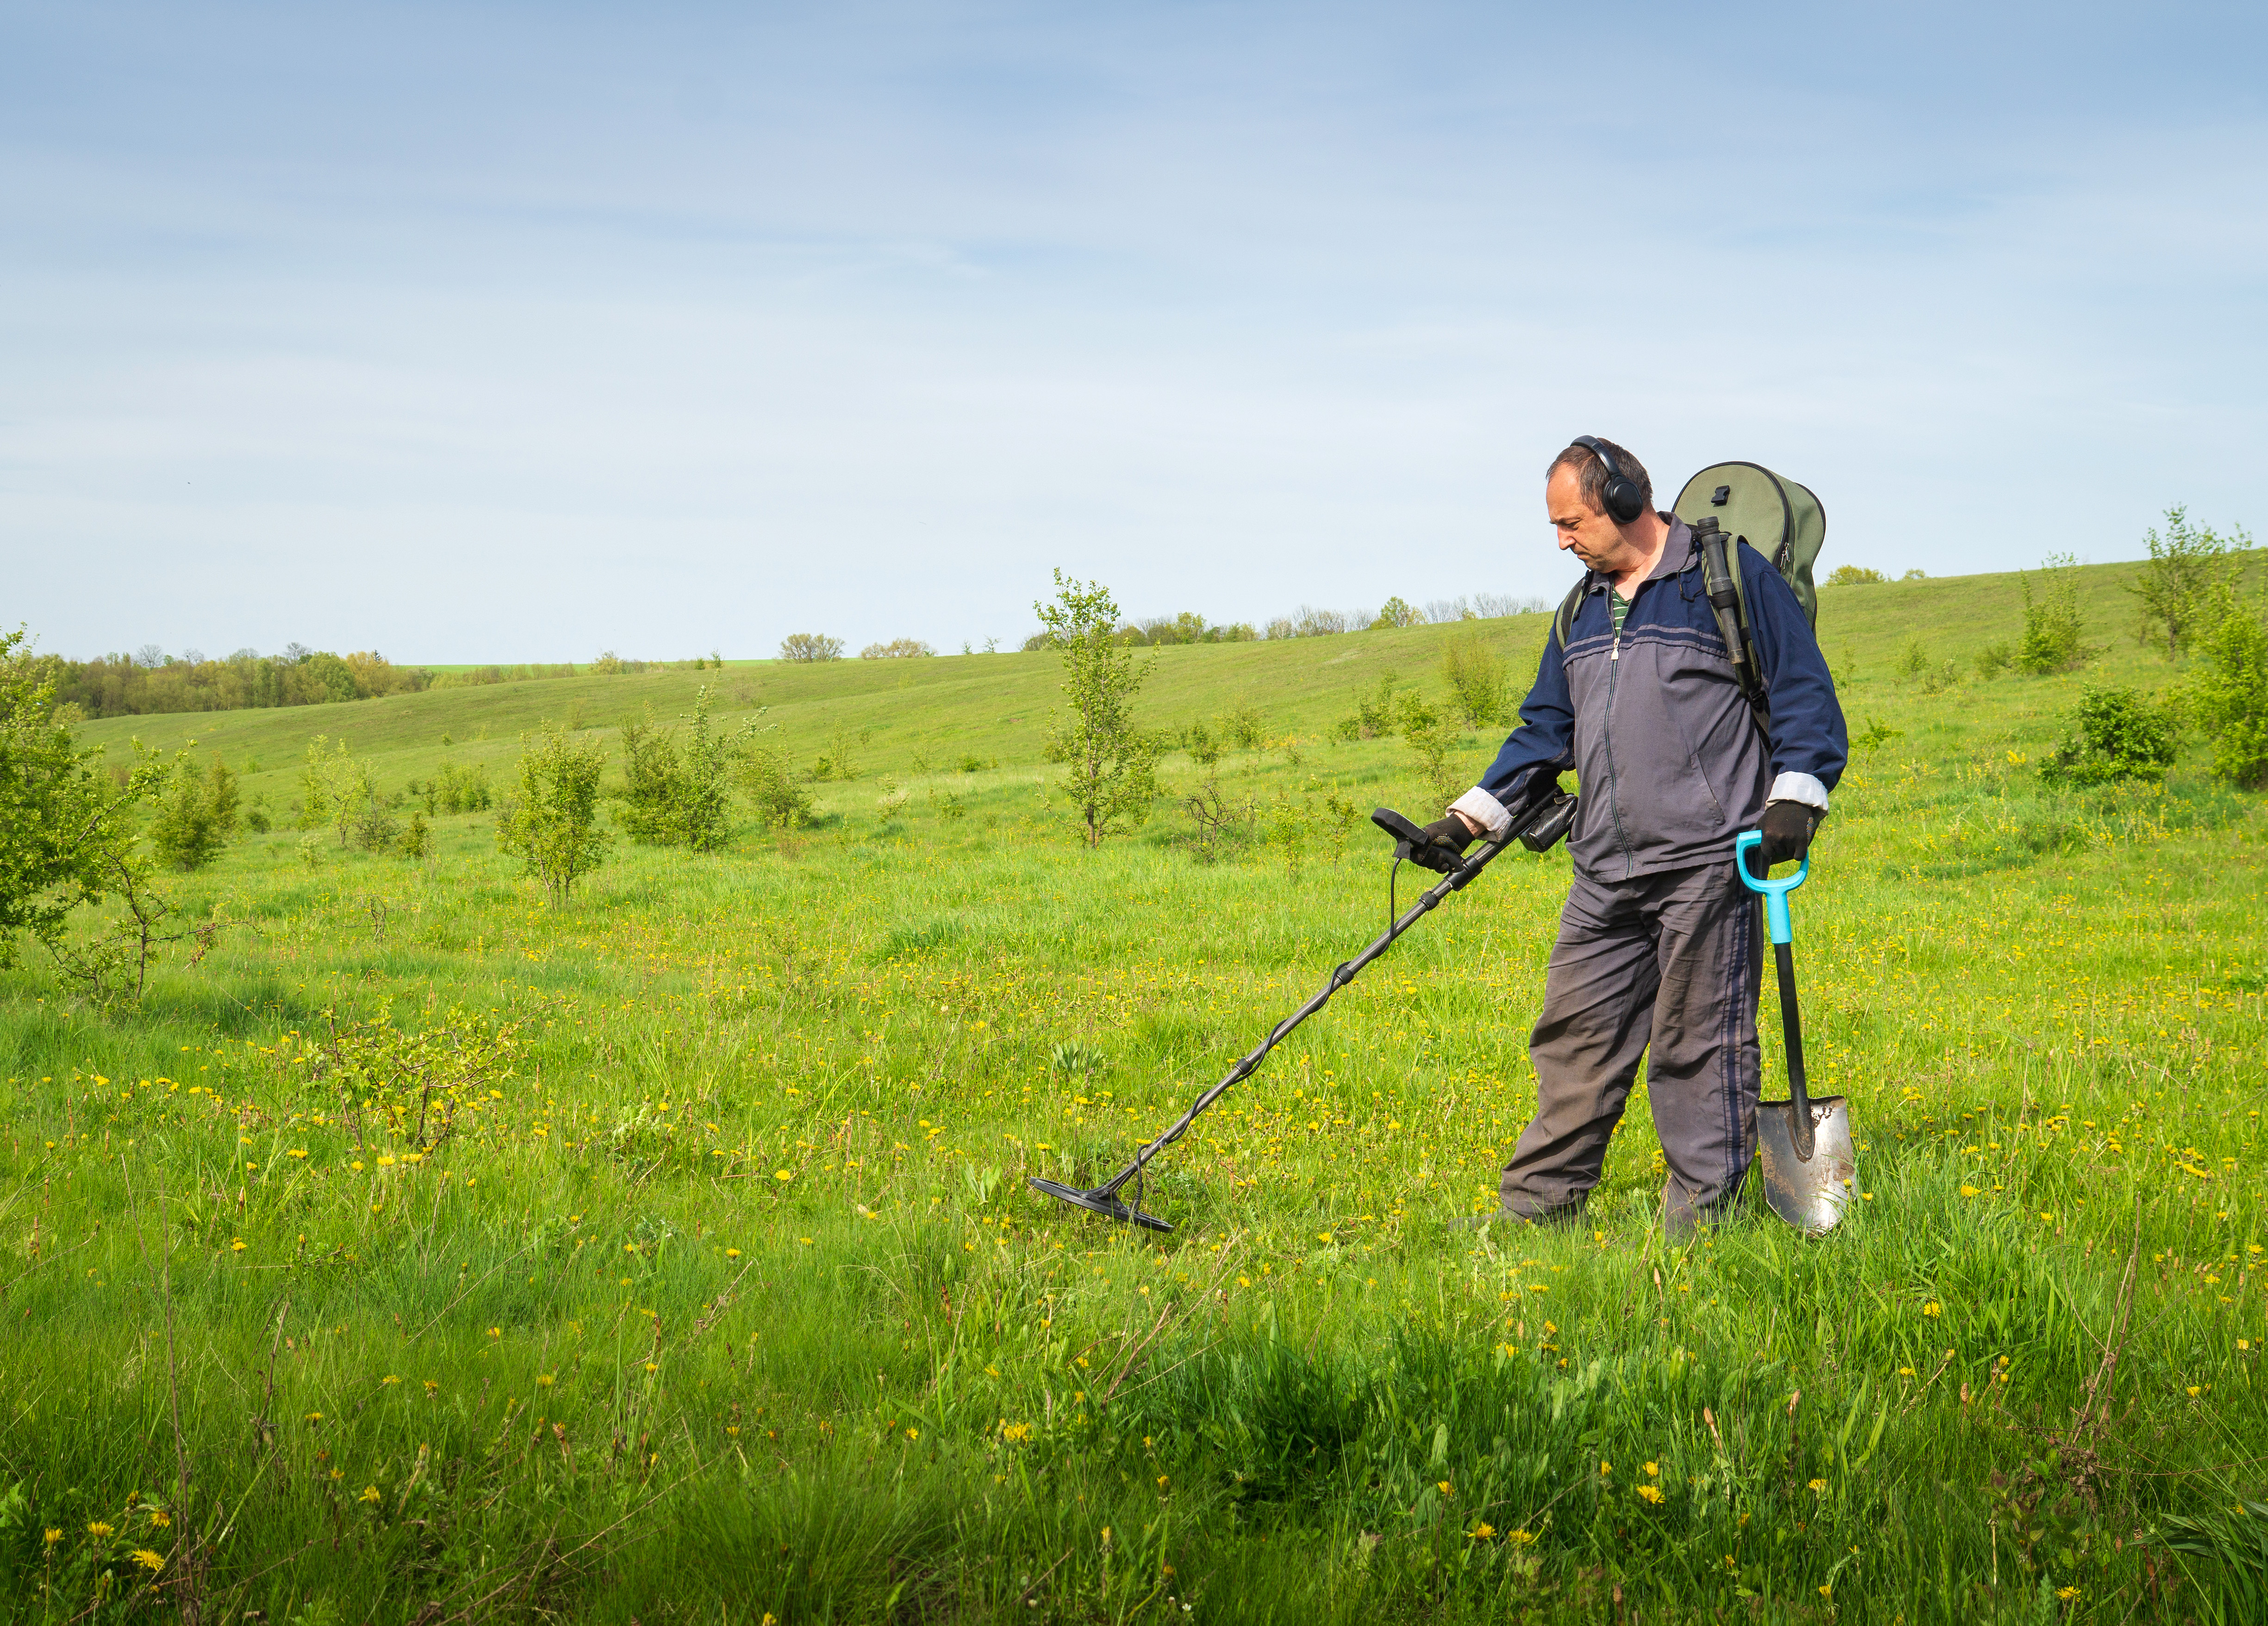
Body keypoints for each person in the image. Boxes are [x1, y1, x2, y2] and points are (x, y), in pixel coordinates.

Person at [1413, 437, 1847, 1234]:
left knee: (1698, 1048)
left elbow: (1804, 695)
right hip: (1604, 868)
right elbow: (1547, 727)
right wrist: (1468, 818)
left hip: (1709, 866)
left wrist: (1796, 800)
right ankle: (1534, 1218)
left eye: (1571, 521)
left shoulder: (1726, 578)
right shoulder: (1581, 608)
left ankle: (1700, 1230)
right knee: (1573, 1046)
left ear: (1622, 501)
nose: (1561, 540)